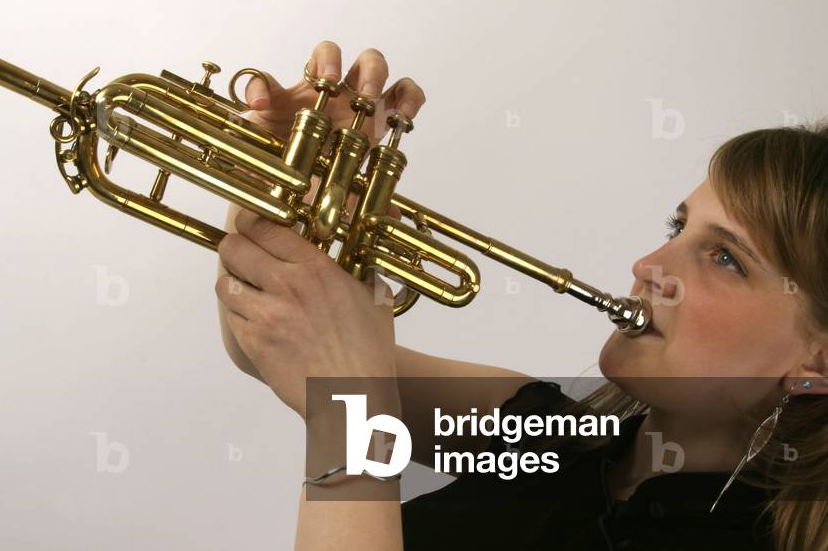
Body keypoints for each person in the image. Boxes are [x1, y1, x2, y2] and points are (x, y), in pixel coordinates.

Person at [213, 41, 828, 551]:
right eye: (677, 228)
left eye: (725, 258)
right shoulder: (549, 434)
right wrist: (293, 187)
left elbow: (337, 390)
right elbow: (266, 349)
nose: (648, 267)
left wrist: (349, 411)